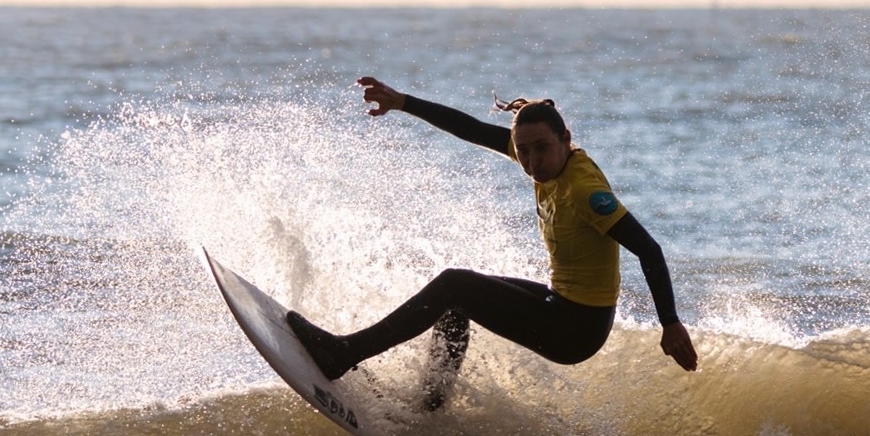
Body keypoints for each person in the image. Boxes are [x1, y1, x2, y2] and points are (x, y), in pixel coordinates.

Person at [287, 77, 699, 407]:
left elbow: (649, 248)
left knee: (455, 284)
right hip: (562, 305)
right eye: (523, 151)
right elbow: (470, 128)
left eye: (542, 149)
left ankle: (343, 354)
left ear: (565, 139)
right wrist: (403, 102)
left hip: (577, 329)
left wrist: (670, 323)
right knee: (455, 300)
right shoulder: (538, 158)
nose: (532, 162)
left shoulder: (584, 190)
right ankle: (432, 404)